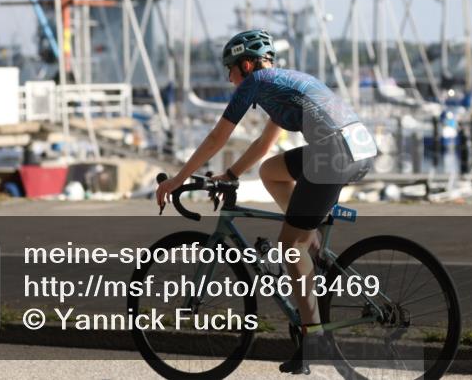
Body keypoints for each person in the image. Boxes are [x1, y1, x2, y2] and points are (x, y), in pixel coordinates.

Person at [155, 29, 377, 373]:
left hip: (335, 154)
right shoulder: (283, 83)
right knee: (272, 171)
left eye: (229, 69)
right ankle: (310, 238)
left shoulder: (255, 83)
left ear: (245, 64)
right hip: (354, 148)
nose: (229, 78)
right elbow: (263, 146)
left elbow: (218, 136)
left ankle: (313, 338)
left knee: (290, 247)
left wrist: (178, 179)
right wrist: (230, 174)